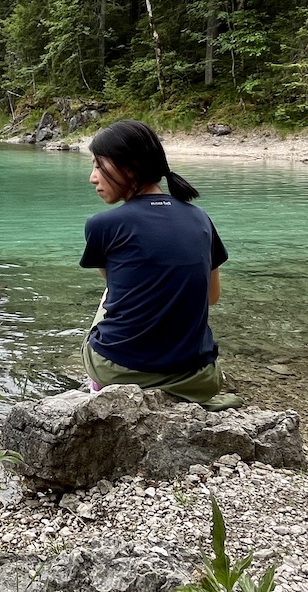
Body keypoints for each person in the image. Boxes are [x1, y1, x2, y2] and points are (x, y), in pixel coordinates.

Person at [79, 120, 241, 411]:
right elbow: (212, 297)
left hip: (120, 372)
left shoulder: (102, 225)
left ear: (130, 168)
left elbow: (114, 290)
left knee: (109, 297)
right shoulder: (200, 218)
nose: (93, 178)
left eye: (98, 166)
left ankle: (99, 386)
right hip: (199, 378)